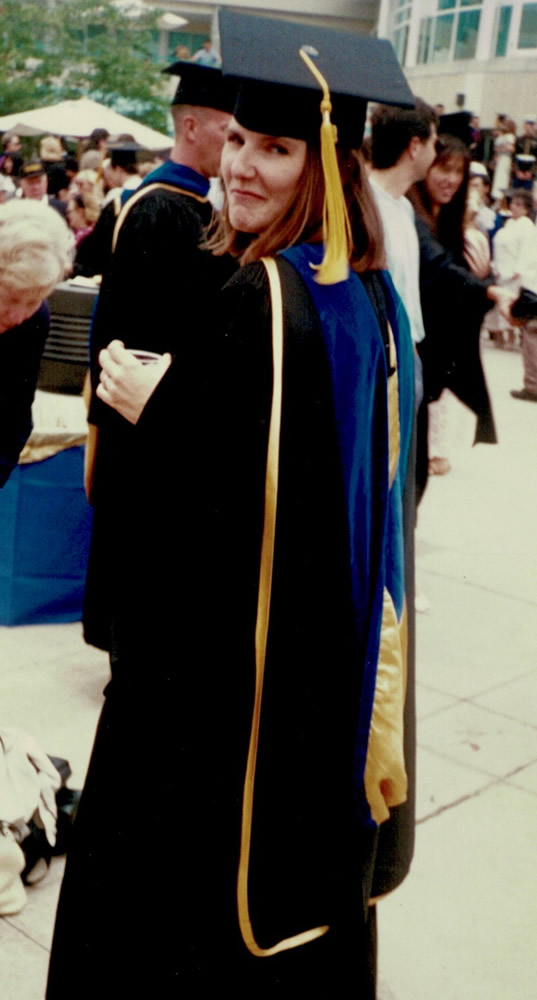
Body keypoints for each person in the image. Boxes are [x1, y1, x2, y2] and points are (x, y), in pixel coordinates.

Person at [47, 10, 417, 996]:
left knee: (173, 924)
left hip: (214, 690)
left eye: (277, 149)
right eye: (241, 139)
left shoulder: (264, 297)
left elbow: (223, 518)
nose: (243, 167)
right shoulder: (365, 294)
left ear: (327, 166)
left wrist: (154, 410)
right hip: (319, 669)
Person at [81, 61, 236, 652]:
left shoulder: (183, 203)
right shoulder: (162, 208)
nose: (236, 145)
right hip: (143, 414)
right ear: (190, 126)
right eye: (228, 131)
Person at [409, 133, 515, 493]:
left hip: (432, 361)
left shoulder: (449, 225)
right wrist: (489, 290)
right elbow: (438, 271)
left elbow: (455, 289)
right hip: (410, 354)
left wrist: (484, 287)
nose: (451, 179)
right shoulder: (409, 215)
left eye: (459, 171)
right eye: (443, 168)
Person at [0, 201, 74, 486]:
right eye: (11, 299)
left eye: (33, 301)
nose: (18, 316)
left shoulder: (34, 320)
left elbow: (14, 418)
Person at [369, 99, 438, 350]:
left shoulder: (404, 207)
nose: (435, 154)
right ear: (415, 146)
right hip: (383, 351)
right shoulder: (367, 207)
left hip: (407, 347)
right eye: (434, 144)